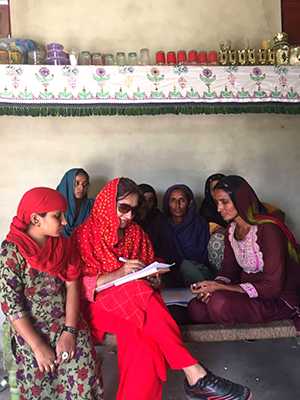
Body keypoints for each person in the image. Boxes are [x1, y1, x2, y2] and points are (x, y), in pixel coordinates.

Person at [75, 177, 251, 400]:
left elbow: (148, 268)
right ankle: (194, 372)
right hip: (98, 307)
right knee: (138, 293)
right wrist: (118, 274)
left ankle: (193, 376)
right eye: (123, 208)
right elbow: (76, 285)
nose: (129, 216)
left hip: (136, 307)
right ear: (107, 203)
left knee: (142, 339)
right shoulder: (84, 235)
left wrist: (154, 279)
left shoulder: (135, 233)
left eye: (133, 210)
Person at [0, 188, 103, 400]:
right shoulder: (11, 252)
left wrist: (70, 331)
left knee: (81, 363)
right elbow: (11, 304)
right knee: (36, 379)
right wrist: (37, 345)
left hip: (63, 321)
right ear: (36, 219)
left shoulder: (63, 246)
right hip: (28, 328)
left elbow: (72, 285)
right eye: (58, 216)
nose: (65, 222)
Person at [188, 175, 300, 329]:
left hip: (275, 297)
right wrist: (212, 287)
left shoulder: (268, 230)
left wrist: (222, 289)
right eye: (217, 203)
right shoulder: (231, 230)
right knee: (197, 308)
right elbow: (228, 271)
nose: (219, 209)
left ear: (241, 200)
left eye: (225, 202)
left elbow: (273, 286)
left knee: (219, 303)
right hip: (248, 292)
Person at [162, 184, 213, 287]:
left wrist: (184, 265)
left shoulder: (199, 223)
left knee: (187, 267)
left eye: (182, 200)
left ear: (189, 203)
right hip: (168, 272)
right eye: (173, 200)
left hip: (197, 270)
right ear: (167, 203)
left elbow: (204, 255)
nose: (177, 205)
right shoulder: (161, 224)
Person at [136, 183, 174, 263]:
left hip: (156, 263)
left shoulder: (160, 219)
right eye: (143, 200)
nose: (146, 204)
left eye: (150, 200)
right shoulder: (129, 218)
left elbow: (167, 248)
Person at [199, 173, 227, 272]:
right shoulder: (206, 208)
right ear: (209, 191)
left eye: (221, 187)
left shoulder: (236, 204)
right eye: (214, 188)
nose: (218, 191)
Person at [57, 168, 94, 236]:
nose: (81, 188)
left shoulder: (91, 205)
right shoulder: (54, 204)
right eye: (76, 183)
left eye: (85, 184)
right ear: (68, 184)